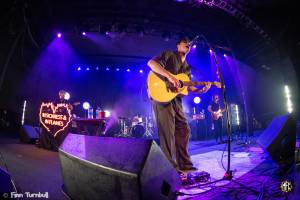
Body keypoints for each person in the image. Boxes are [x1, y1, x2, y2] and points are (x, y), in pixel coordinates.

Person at [147, 37, 211, 172]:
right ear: (178, 46)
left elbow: (188, 87)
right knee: (167, 133)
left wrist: (202, 89)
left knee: (184, 129)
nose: (188, 44)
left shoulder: (187, 67)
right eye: (185, 42)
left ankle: (185, 165)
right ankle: (170, 169)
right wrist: (170, 76)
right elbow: (152, 63)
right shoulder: (169, 55)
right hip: (161, 96)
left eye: (189, 43)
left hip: (176, 100)